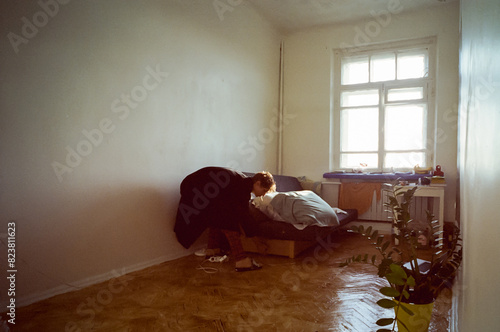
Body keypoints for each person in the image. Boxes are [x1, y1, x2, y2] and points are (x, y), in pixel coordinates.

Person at [174, 167, 275, 272]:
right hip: (195, 187)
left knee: (220, 214)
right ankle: (241, 260)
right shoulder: (242, 186)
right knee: (229, 220)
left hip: (194, 185)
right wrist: (258, 244)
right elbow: (244, 216)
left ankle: (212, 249)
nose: (263, 195)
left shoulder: (242, 182)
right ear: (258, 183)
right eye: (264, 191)